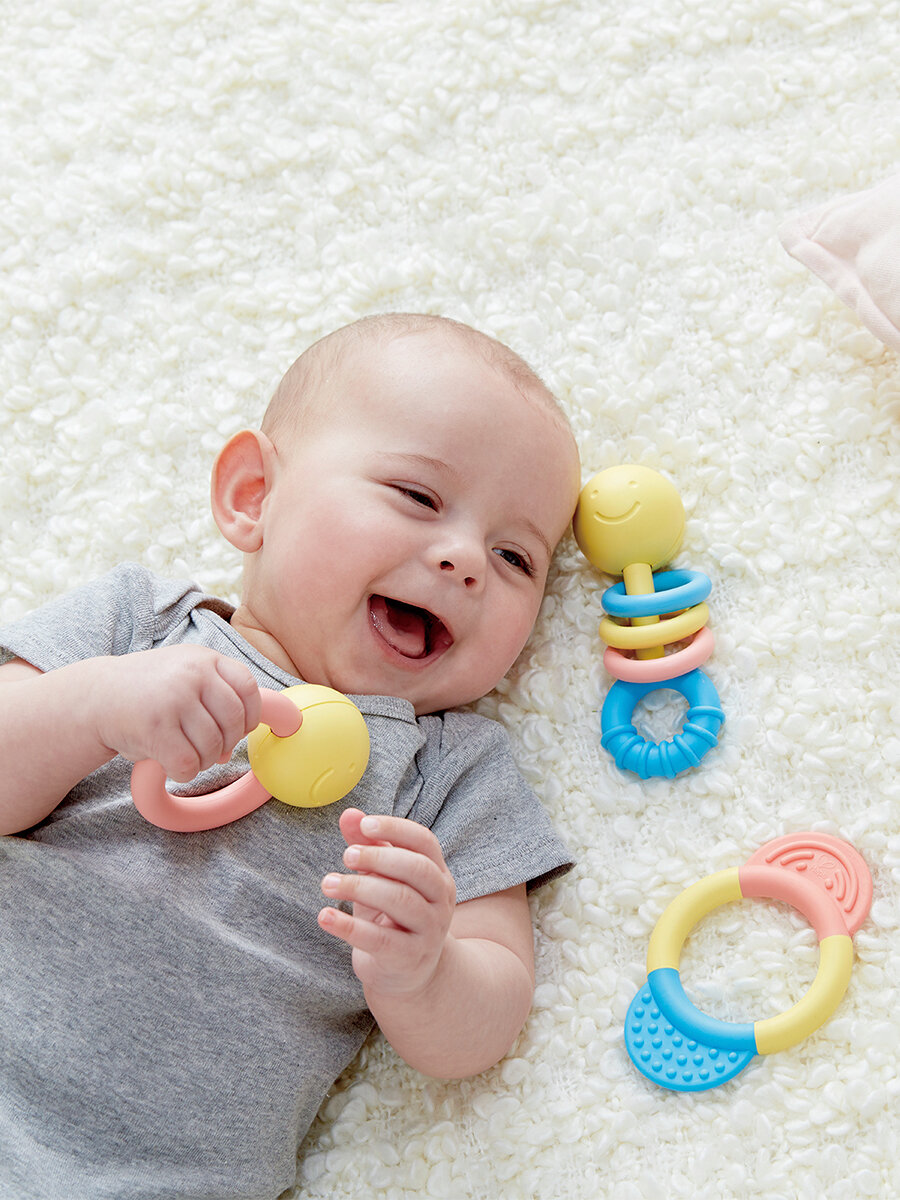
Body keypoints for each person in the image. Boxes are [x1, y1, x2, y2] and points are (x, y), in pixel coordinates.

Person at [0, 313, 581, 1200]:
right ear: (253, 495)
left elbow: (485, 1027)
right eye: (418, 496)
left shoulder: (450, 774)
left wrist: (427, 970)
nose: (466, 559)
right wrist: (93, 705)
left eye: (515, 557)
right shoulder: (139, 626)